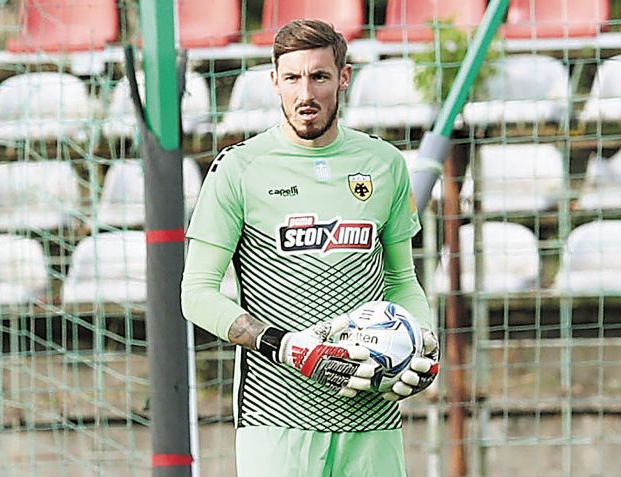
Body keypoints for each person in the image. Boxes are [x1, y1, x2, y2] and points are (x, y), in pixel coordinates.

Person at [181, 19, 439, 477]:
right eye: (293, 78)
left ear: (344, 77)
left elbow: (402, 280)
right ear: (275, 81)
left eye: (319, 76)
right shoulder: (239, 169)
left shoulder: (384, 164)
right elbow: (196, 294)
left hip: (372, 419)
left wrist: (421, 341)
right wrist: (285, 345)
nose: (306, 94)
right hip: (275, 420)